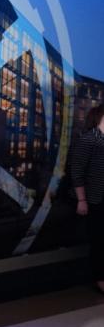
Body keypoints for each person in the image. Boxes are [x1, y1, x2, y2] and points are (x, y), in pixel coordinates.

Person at [72, 102, 104, 294]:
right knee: (99, 241)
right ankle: (100, 279)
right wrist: (81, 200)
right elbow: (77, 172)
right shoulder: (88, 140)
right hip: (96, 200)